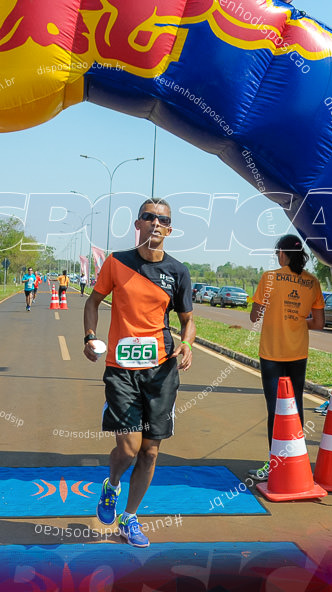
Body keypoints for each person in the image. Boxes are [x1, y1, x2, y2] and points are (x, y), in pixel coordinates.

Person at [82, 198, 195, 548]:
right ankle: (112, 484)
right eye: (149, 217)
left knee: (150, 452)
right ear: (138, 224)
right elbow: (92, 301)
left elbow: (187, 320)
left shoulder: (178, 271)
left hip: (160, 371)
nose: (155, 223)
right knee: (129, 449)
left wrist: (187, 344)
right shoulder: (117, 263)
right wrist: (90, 336)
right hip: (121, 369)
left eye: (163, 219)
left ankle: (129, 518)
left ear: (170, 229)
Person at [247, 234, 324, 480]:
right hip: (298, 353)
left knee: (275, 410)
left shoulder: (269, 278)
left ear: (282, 253)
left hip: (271, 353)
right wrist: (298, 322)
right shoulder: (312, 282)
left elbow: (254, 316)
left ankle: (275, 465)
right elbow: (319, 323)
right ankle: (296, 464)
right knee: (295, 407)